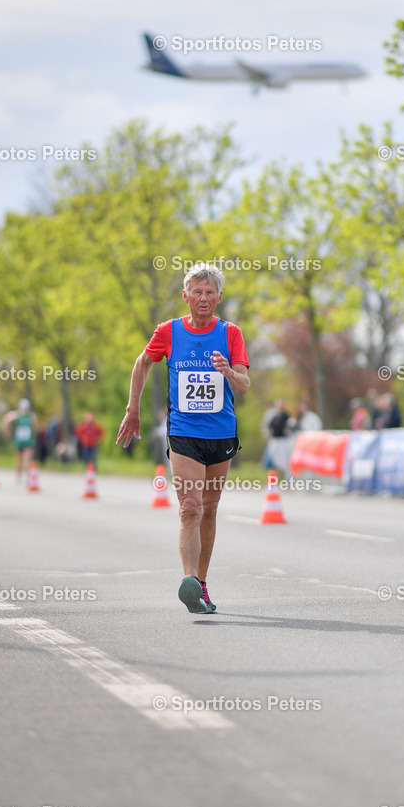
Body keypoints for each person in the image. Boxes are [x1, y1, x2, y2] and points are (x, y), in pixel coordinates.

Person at [117, 262, 250, 615]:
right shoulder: (169, 331)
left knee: (209, 511)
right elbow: (143, 362)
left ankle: (201, 585)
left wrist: (228, 373)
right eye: (197, 291)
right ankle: (189, 580)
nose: (203, 298)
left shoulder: (231, 333)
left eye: (210, 293)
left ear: (219, 298)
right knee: (190, 507)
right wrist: (133, 409)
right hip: (184, 433)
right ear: (185, 295)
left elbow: (245, 384)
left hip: (221, 434)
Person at [4, 399, 37, 482]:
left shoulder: (32, 416)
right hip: (19, 441)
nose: (25, 409)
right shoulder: (16, 415)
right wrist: (8, 431)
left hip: (28, 441)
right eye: (23, 408)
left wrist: (34, 434)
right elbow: (7, 419)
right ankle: (18, 475)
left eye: (26, 408)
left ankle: (28, 476)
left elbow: (36, 427)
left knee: (27, 458)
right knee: (19, 459)